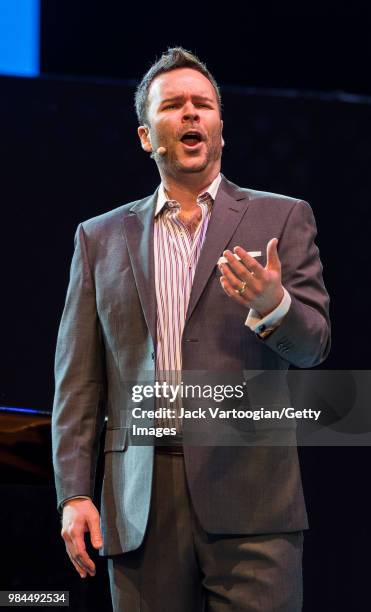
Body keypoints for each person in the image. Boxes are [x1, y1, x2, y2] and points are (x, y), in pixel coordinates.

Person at [52, 47, 330, 611]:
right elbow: (78, 382)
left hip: (253, 499)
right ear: (145, 137)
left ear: (221, 130)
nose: (190, 114)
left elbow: (315, 346)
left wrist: (275, 306)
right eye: (173, 105)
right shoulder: (100, 238)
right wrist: (75, 492)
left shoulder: (281, 217)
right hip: (140, 501)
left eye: (203, 105)